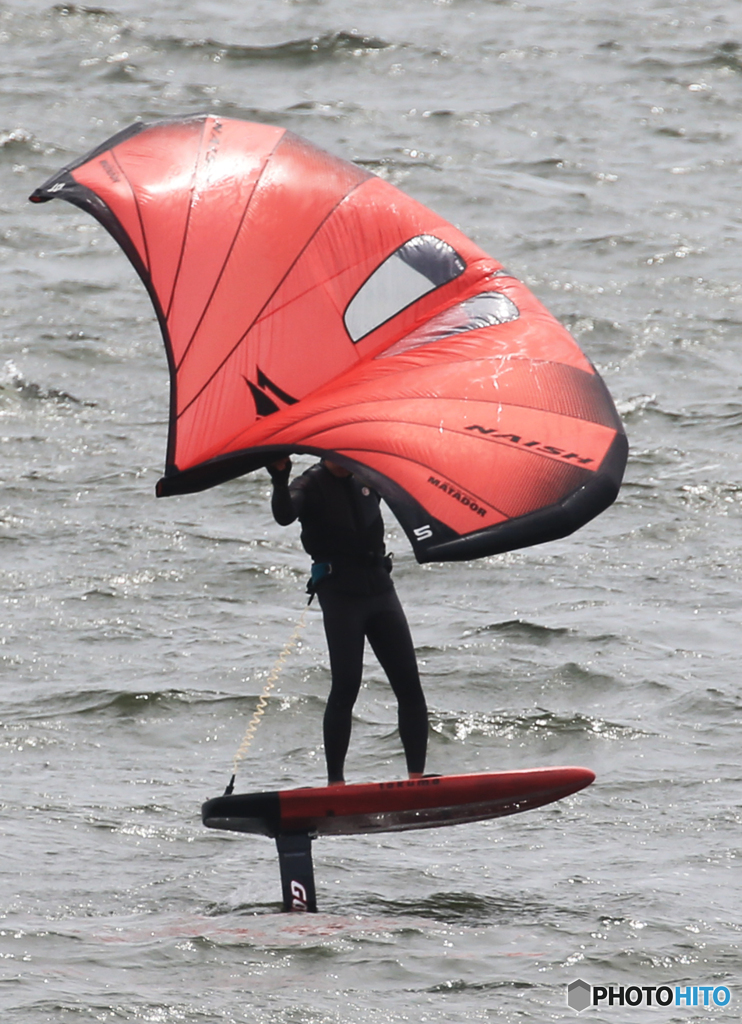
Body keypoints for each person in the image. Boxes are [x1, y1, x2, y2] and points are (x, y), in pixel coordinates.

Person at [268, 456, 428, 786]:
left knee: (409, 685)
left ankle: (416, 779)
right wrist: (280, 480)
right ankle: (336, 783)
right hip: (341, 596)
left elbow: (411, 488)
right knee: (346, 686)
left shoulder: (368, 475)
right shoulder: (309, 484)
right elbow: (284, 515)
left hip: (380, 590)